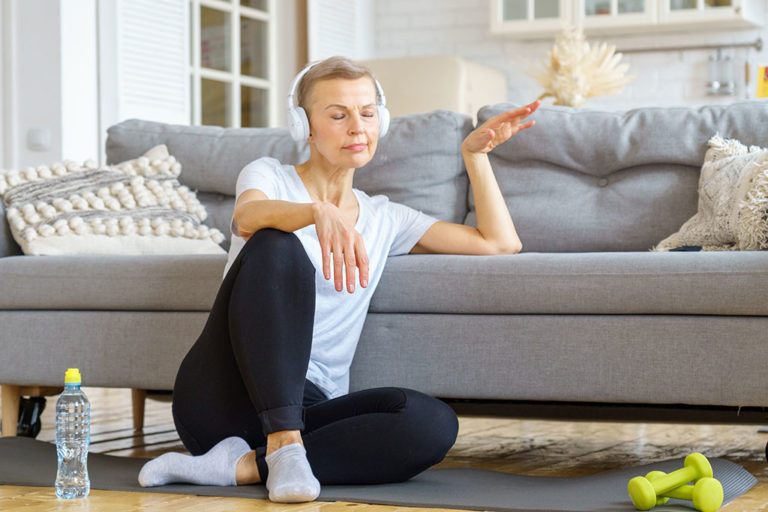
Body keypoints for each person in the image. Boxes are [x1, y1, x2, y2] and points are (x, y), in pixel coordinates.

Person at [137, 55, 539, 503]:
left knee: (431, 423)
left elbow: (499, 242)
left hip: (312, 405)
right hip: (222, 395)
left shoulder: (386, 218)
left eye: (367, 113)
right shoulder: (269, 175)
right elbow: (247, 217)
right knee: (276, 242)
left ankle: (242, 466)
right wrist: (314, 213)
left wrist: (475, 155)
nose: (357, 127)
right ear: (302, 126)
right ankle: (285, 446)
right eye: (338, 115)